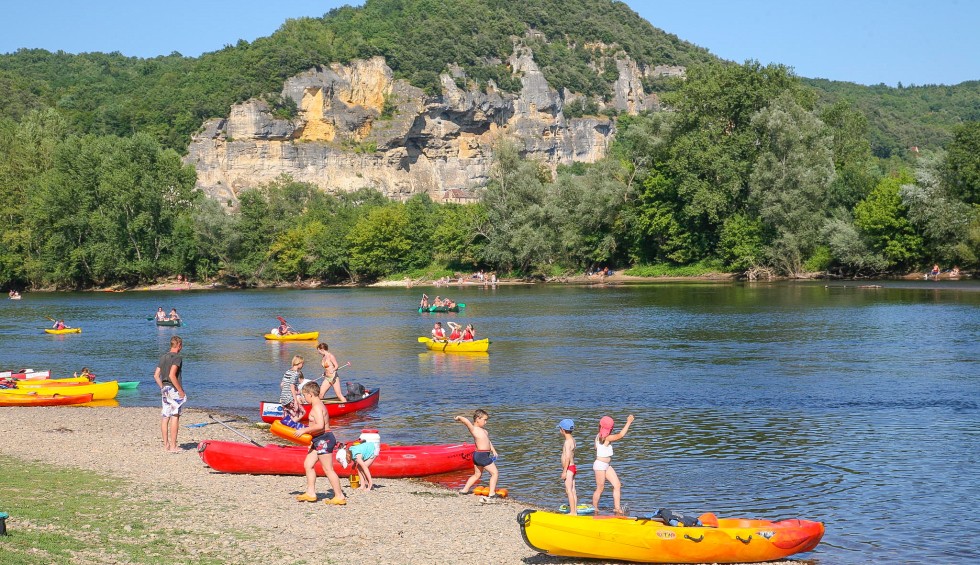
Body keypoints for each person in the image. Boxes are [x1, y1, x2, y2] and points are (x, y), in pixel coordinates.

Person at [293, 381, 346, 505]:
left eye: (305, 395)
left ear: (311, 394)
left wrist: (304, 430)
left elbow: (320, 425)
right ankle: (311, 493)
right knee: (308, 464)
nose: (304, 398)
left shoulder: (317, 407)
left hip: (324, 439)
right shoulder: (318, 405)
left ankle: (339, 496)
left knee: (328, 469)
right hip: (318, 439)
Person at [592, 414, 634, 515]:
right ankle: (594, 509)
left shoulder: (599, 436)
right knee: (600, 488)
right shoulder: (606, 438)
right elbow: (620, 435)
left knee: (617, 485)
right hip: (600, 465)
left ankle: (617, 508)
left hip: (606, 465)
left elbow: (596, 448)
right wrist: (629, 422)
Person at [455, 409, 500, 503]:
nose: (486, 422)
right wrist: (459, 418)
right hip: (481, 455)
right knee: (494, 473)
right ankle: (492, 493)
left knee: (477, 474)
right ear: (478, 419)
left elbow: (488, 441)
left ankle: (464, 490)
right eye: (484, 419)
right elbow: (466, 422)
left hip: (479, 455)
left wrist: (493, 450)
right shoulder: (474, 429)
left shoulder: (485, 431)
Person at [152, 336, 186, 453]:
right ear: (179, 345)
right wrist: (180, 390)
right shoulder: (178, 357)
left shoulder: (163, 357)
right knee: (175, 416)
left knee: (165, 416)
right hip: (173, 389)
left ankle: (166, 445)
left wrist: (162, 387)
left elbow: (156, 375)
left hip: (165, 389)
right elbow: (172, 375)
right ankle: (173, 446)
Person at [279, 355, 306, 428]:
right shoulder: (296, 373)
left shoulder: (287, 371)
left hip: (283, 397)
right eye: (302, 363)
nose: (303, 365)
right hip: (290, 398)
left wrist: (286, 392)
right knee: (302, 412)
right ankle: (290, 426)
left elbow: (282, 385)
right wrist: (295, 401)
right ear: (299, 363)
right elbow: (292, 386)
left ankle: (286, 424)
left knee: (289, 413)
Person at [558, 418, 577, 513]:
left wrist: (564, 471)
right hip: (573, 467)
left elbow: (567, 458)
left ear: (563, 430)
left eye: (560, 429)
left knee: (569, 490)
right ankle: (575, 510)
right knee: (573, 490)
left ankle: (573, 512)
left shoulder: (567, 442)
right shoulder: (573, 440)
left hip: (568, 468)